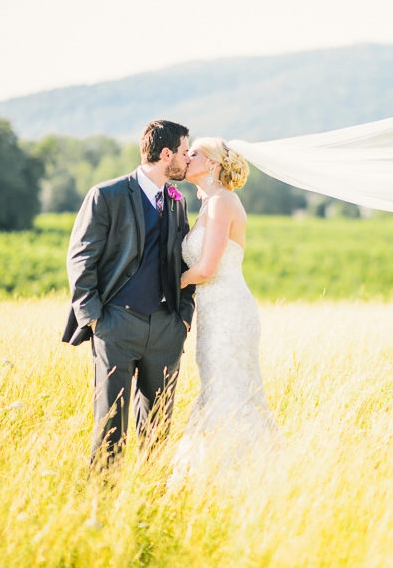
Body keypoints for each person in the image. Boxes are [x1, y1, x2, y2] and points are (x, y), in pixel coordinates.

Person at [62, 120, 196, 468]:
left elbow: (184, 262)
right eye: (184, 152)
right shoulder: (107, 195)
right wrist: (94, 319)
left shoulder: (177, 202)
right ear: (166, 154)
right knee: (110, 426)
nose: (187, 158)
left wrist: (182, 318)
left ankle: (149, 503)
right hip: (116, 324)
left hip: (166, 329)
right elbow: (80, 258)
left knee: (158, 428)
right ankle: (102, 508)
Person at [169, 137, 279, 482]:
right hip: (214, 311)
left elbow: (205, 269)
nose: (186, 157)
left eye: (194, 153)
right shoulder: (208, 204)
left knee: (230, 388)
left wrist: (164, 287)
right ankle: (216, 473)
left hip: (229, 310)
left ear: (214, 163)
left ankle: (241, 476)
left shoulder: (222, 203)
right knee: (216, 386)